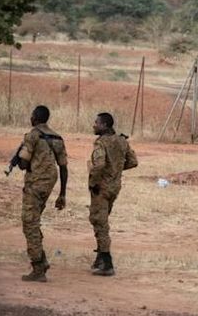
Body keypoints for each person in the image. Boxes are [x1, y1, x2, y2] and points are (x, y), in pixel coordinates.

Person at [16, 105, 68, 282]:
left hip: (35, 184)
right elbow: (63, 167)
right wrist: (62, 194)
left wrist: (19, 159)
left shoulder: (32, 135)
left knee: (29, 223)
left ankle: (38, 267)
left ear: (35, 117)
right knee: (34, 220)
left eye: (31, 115)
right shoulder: (57, 137)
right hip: (49, 184)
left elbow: (24, 164)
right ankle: (42, 259)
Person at [88, 112, 137, 276]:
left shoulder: (101, 143)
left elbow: (99, 164)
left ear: (105, 125)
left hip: (101, 188)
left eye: (97, 122)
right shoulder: (122, 141)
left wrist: (93, 182)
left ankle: (107, 263)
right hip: (115, 187)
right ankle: (100, 258)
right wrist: (115, 170)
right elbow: (133, 161)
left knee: (99, 222)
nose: (94, 125)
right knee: (102, 219)